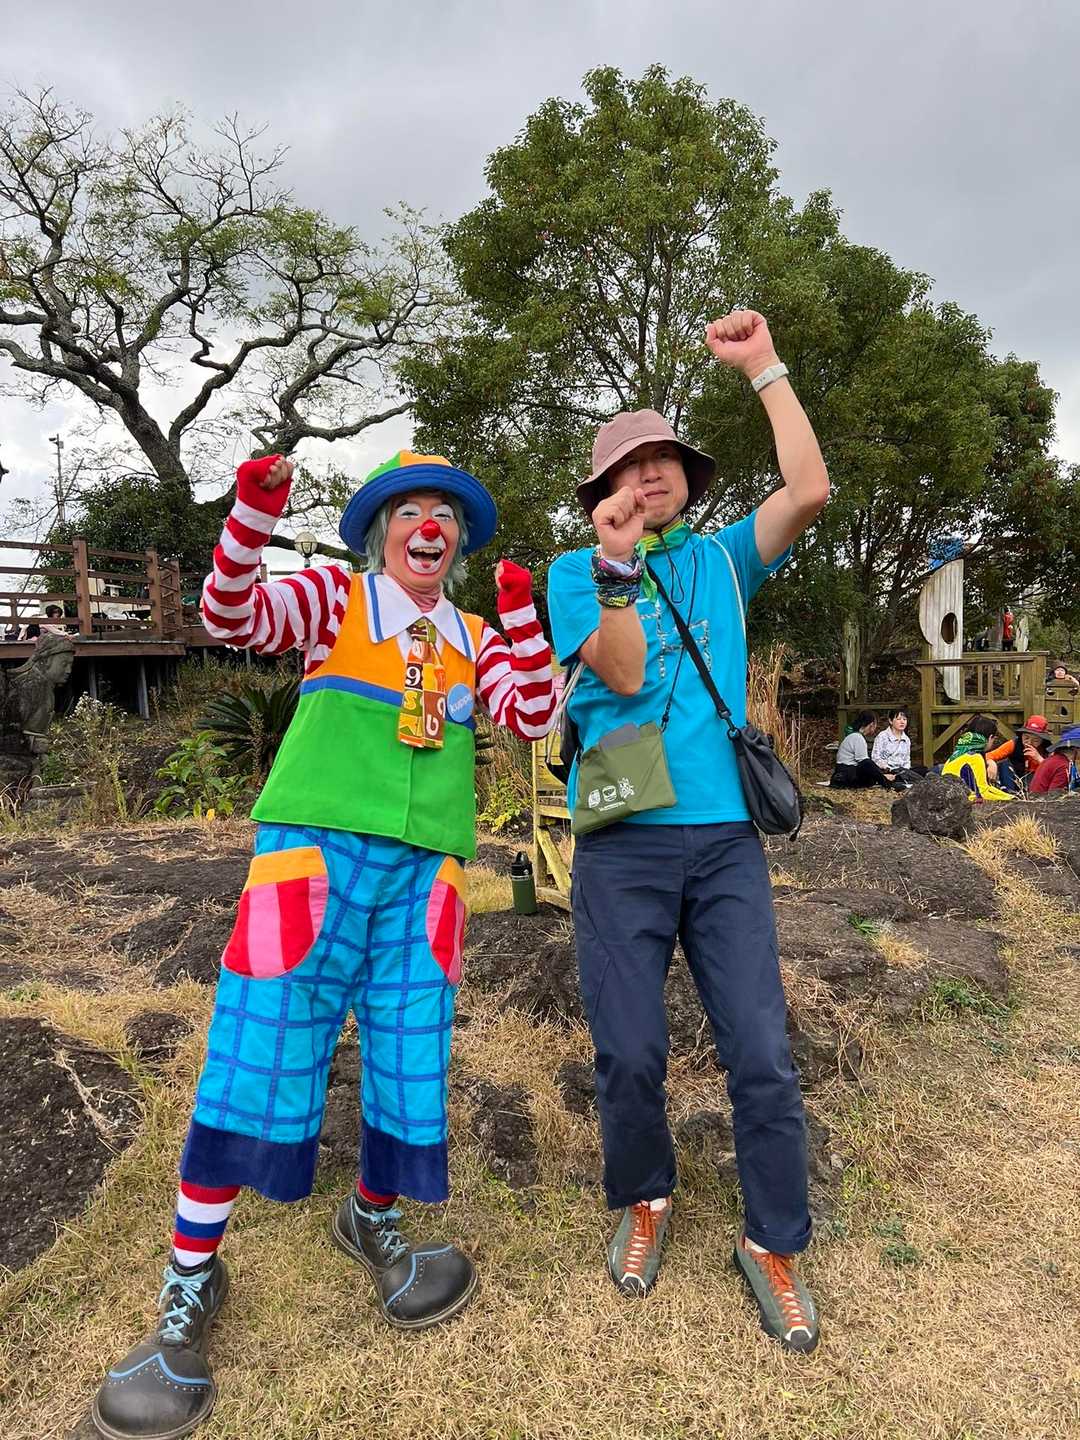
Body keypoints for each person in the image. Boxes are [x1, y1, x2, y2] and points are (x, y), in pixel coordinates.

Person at [93, 450, 557, 1440]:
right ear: (380, 530)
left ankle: (374, 1218)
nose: (429, 528)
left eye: (446, 516)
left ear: (461, 542)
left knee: (410, 1055)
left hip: (426, 875)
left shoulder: (474, 635)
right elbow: (229, 618)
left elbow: (533, 716)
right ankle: (188, 1284)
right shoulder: (331, 598)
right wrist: (251, 518)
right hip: (313, 855)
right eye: (410, 511)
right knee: (258, 1050)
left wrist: (521, 617)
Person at [547, 309, 830, 1354]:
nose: (649, 473)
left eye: (663, 457)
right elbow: (621, 676)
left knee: (761, 1050)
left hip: (722, 842)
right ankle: (645, 1195)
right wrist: (618, 567)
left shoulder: (723, 560)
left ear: (686, 476)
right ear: (602, 491)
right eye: (628, 464)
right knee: (628, 1050)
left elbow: (809, 489)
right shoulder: (574, 573)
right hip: (620, 837)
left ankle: (774, 1243)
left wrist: (763, 366)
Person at [941, 715, 1012, 801]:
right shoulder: (975, 757)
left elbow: (985, 787)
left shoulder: (957, 754)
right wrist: (1012, 799)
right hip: (965, 802)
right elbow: (983, 793)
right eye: (994, 738)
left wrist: (1009, 796)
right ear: (990, 737)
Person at [831, 711, 904, 791]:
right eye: (875, 724)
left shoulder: (854, 736)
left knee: (871, 773)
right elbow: (864, 762)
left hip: (845, 771)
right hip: (846, 774)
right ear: (871, 724)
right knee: (868, 763)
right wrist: (882, 777)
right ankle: (887, 784)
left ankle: (884, 779)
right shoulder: (857, 737)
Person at [985, 715, 1051, 792]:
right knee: (1004, 764)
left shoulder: (1048, 750)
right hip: (1014, 781)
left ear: (1043, 740)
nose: (1029, 743)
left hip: (1036, 786)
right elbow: (988, 756)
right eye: (1026, 738)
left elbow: (1053, 770)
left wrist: (1039, 759)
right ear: (1021, 735)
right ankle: (1010, 794)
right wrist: (991, 762)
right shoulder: (1014, 744)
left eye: (1035, 740)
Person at [870, 707, 927, 786]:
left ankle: (903, 779)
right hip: (887, 770)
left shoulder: (906, 739)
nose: (902, 722)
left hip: (902, 771)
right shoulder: (882, 736)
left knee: (924, 769)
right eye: (898, 719)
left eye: (904, 719)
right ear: (890, 721)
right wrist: (887, 768)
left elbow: (907, 760)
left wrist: (905, 770)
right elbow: (875, 757)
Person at [1029, 725, 1080, 794]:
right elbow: (1055, 796)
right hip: (1042, 800)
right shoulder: (1063, 766)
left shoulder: (1055, 760)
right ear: (1076, 749)